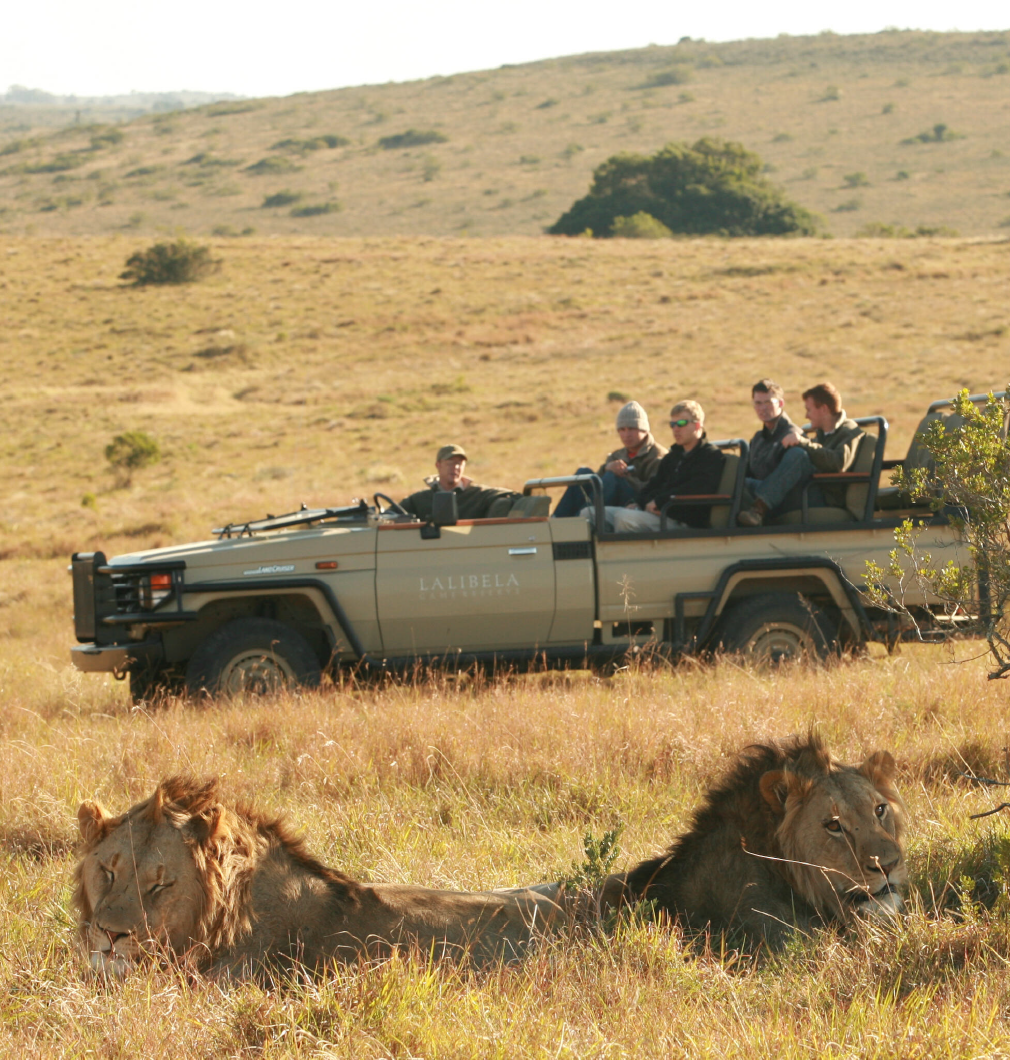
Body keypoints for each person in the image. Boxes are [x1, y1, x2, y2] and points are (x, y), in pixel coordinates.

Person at [584, 400, 725, 533]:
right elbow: (654, 484)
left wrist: (660, 502)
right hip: (659, 512)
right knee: (589, 514)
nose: (676, 429)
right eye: (672, 424)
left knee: (624, 518)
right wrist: (637, 502)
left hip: (682, 519)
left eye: (681, 423)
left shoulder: (710, 456)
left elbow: (698, 489)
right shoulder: (673, 457)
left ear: (698, 425)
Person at [737, 382, 865, 526]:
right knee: (738, 480)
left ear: (823, 409)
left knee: (797, 455)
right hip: (802, 490)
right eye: (758, 403)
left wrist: (803, 443)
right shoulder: (821, 434)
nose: (806, 416)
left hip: (820, 494)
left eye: (809, 410)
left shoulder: (849, 431)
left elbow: (838, 463)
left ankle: (759, 509)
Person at [552, 401, 668, 518]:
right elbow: (597, 486)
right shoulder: (617, 455)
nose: (626, 434)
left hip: (635, 504)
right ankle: (556, 520)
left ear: (644, 430)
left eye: (632, 429)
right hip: (611, 500)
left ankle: (580, 522)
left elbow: (654, 490)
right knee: (584, 474)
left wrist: (624, 476)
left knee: (612, 478)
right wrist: (606, 468)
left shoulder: (658, 456)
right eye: (622, 430)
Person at [399, 444, 518, 521]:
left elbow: (510, 495)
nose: (455, 467)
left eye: (459, 463)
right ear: (438, 465)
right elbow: (392, 514)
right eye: (450, 462)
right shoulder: (420, 499)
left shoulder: (477, 494)